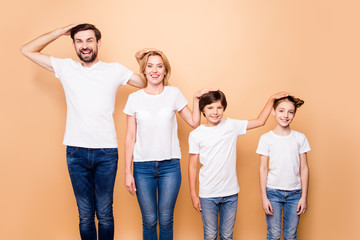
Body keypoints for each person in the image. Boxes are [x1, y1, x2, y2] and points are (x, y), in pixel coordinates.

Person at [20, 23, 145, 240]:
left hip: (106, 152)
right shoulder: (66, 67)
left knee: (105, 214)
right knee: (85, 215)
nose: (84, 46)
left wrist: (140, 61)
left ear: (98, 43)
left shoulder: (114, 70)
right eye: (79, 41)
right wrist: (58, 32)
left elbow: (144, 82)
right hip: (76, 152)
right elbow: (27, 50)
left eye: (89, 40)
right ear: (74, 44)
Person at [124, 49, 214, 240]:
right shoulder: (134, 99)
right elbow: (130, 137)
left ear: (165, 71)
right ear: (144, 70)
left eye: (159, 66)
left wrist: (196, 99)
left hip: (170, 166)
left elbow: (194, 122)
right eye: (150, 66)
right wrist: (127, 171)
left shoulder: (174, 94)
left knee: (165, 219)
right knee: (149, 220)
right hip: (142, 167)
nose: (154, 70)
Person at [188, 90, 289, 240]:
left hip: (230, 193)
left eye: (219, 108)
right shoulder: (196, 135)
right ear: (202, 110)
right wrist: (193, 195)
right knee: (210, 235)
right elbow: (193, 166)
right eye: (210, 108)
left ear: (223, 109)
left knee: (227, 235)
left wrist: (271, 99)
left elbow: (260, 121)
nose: (215, 112)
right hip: (208, 194)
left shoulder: (231, 125)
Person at [256, 96, 310, 240]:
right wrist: (264, 197)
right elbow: (262, 169)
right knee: (273, 235)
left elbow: (304, 168)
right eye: (281, 110)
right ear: (273, 111)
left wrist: (304, 197)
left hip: (295, 193)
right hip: (273, 192)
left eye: (290, 112)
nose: (285, 115)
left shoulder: (300, 138)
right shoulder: (266, 139)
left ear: (294, 114)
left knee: (290, 235)